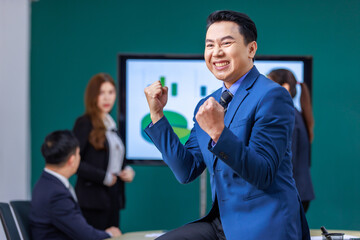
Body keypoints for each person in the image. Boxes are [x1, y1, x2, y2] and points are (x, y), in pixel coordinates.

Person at [144, 10, 310, 240]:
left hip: (265, 224)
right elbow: (186, 170)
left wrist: (218, 132)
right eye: (209, 45)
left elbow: (263, 173)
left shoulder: (272, 96)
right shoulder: (208, 103)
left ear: (251, 49)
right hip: (222, 223)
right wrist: (157, 115)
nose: (216, 52)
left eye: (226, 43)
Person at [30, 130, 121, 240]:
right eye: (78, 154)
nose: (79, 158)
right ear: (72, 160)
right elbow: (86, 236)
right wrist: (110, 234)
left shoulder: (46, 183)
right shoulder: (57, 194)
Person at [73, 73, 135, 230]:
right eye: (102, 93)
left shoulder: (111, 124)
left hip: (113, 198)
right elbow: (75, 162)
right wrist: (104, 177)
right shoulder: (84, 123)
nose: (107, 98)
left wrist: (126, 170)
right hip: (92, 201)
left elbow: (116, 159)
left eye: (111, 92)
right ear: (93, 95)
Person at [268, 68, 315, 212]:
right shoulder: (294, 113)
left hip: (292, 195)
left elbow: (288, 162)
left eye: (269, 85)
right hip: (297, 193)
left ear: (285, 88)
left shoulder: (288, 116)